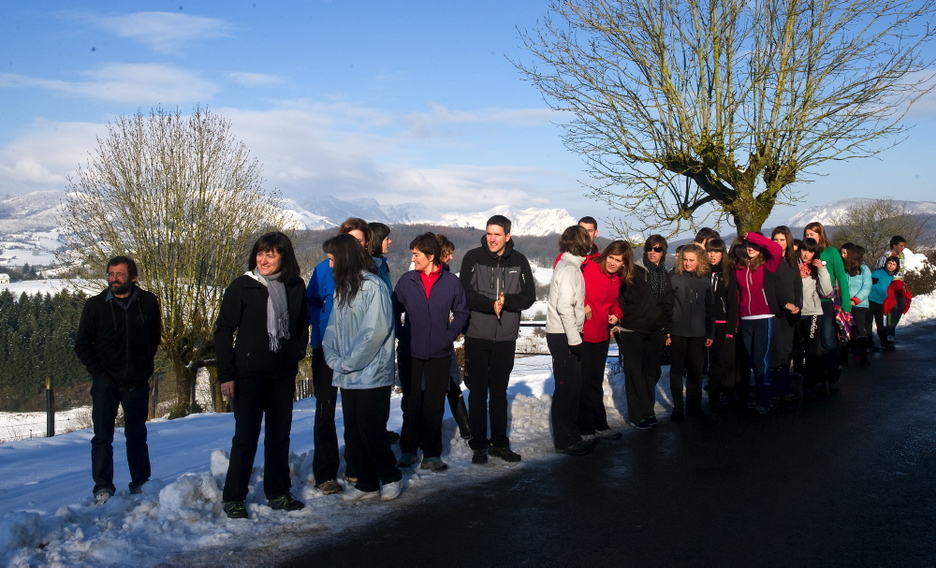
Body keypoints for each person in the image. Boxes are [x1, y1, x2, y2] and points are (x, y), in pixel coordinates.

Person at [215, 232, 308, 519]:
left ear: (284, 257)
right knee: (245, 437)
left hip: (282, 374)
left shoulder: (295, 285)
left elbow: (301, 324)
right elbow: (223, 330)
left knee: (279, 436)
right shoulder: (242, 286)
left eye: (270, 255)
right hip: (248, 375)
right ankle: (234, 497)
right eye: (260, 253)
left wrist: (296, 353)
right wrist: (226, 374)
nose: (263, 260)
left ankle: (278, 492)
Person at [322, 234, 403, 501]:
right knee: (354, 430)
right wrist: (333, 357)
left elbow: (375, 330)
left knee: (370, 428)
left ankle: (390, 476)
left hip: (371, 372)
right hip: (348, 373)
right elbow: (333, 328)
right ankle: (367, 483)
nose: (330, 265)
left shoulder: (373, 286)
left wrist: (348, 362)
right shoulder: (343, 288)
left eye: (333, 259)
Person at [75, 256, 162, 505]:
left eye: (120, 274)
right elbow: (82, 344)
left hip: (136, 381)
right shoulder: (95, 305)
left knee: (137, 434)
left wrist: (143, 368)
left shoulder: (148, 302)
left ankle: (140, 482)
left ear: (133, 277)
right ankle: (103, 486)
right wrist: (99, 374)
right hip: (106, 382)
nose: (114, 278)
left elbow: (154, 338)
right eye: (111, 274)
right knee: (102, 436)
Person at [460, 215, 536, 464]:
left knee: (499, 391)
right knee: (478, 392)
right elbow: (465, 293)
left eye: (497, 234)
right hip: (477, 334)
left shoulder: (519, 261)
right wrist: (490, 304)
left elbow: (529, 296)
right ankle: (479, 445)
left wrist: (507, 303)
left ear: (507, 236)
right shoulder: (473, 258)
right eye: (489, 233)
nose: (492, 239)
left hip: (505, 336)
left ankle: (499, 443)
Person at [306, 218, 373, 495]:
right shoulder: (324, 269)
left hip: (355, 350)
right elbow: (310, 302)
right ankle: (325, 473)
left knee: (354, 412)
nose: (355, 244)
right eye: (350, 239)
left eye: (359, 240)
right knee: (325, 411)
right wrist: (323, 321)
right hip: (325, 348)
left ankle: (355, 466)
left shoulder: (369, 272)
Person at [393, 233, 469, 471]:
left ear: (431, 256)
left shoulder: (451, 282)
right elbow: (393, 310)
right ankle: (408, 450)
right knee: (411, 402)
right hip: (410, 352)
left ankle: (432, 454)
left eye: (416, 255)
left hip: (439, 353)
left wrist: (450, 334)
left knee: (434, 405)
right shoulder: (407, 281)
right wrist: (401, 334)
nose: (412, 259)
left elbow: (462, 312)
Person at [546, 225, 600, 456]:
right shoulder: (569, 269)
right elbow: (565, 307)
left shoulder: (570, 266)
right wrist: (574, 339)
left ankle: (571, 436)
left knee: (571, 387)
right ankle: (565, 440)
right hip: (563, 335)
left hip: (563, 333)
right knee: (567, 389)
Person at [612, 235, 673, 430]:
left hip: (655, 331)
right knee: (634, 373)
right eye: (649, 248)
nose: (652, 252)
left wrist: (667, 330)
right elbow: (619, 297)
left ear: (663, 252)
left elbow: (668, 303)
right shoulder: (633, 271)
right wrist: (620, 320)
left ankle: (648, 411)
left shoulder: (663, 274)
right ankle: (637, 415)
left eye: (657, 249)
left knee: (651, 372)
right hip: (632, 330)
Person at [579, 240, 633, 439]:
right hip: (583, 332)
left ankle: (600, 424)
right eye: (611, 257)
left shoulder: (617, 279)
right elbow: (574, 290)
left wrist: (617, 314)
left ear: (624, 263)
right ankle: (585, 426)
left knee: (595, 380)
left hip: (601, 334)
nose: (612, 263)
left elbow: (614, 302)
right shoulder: (590, 268)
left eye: (618, 261)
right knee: (584, 381)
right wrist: (582, 305)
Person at [732, 232, 783, 414]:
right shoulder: (739, 267)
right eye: (748, 246)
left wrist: (753, 237)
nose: (751, 249)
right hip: (746, 319)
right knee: (752, 360)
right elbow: (738, 295)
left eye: (755, 246)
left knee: (761, 360)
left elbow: (776, 249)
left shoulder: (768, 264)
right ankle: (761, 396)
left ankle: (764, 399)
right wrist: (737, 320)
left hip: (763, 317)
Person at [667, 243, 714, 421]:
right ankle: (678, 407)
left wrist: (710, 333)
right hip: (677, 331)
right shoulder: (674, 279)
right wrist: (667, 331)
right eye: (685, 259)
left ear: (699, 261)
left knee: (695, 370)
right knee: (677, 369)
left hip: (698, 333)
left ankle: (694, 407)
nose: (687, 263)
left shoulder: (705, 281)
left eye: (691, 260)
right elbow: (667, 307)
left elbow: (710, 309)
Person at [803, 222, 850, 390]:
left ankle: (834, 373)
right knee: (816, 343)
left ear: (820, 235)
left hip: (827, 301)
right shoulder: (806, 252)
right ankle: (820, 377)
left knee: (828, 338)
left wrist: (846, 303)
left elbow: (841, 277)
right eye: (807, 235)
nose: (809, 237)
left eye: (812, 234)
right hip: (810, 303)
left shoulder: (830, 252)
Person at [436, 234, 472, 440]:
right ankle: (465, 428)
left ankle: (466, 428)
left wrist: (451, 332)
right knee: (445, 385)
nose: (451, 258)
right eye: (447, 254)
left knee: (451, 383)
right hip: (433, 339)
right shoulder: (420, 276)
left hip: (444, 336)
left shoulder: (447, 275)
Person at [769, 226, 803, 401]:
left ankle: (784, 388)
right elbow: (770, 288)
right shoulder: (769, 261)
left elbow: (798, 285)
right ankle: (775, 390)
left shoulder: (791, 261)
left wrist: (797, 305)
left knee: (787, 351)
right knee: (776, 350)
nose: (779, 243)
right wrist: (784, 304)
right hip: (776, 311)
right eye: (775, 240)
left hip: (792, 312)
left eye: (782, 240)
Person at [704, 238, 737, 411]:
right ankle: (714, 395)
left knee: (728, 360)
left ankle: (729, 392)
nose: (713, 255)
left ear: (722, 253)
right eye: (710, 251)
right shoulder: (703, 273)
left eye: (716, 251)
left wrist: (730, 329)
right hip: (707, 324)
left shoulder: (728, 273)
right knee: (714, 361)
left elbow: (732, 302)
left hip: (724, 323)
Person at [798, 238, 833, 394]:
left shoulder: (817, 268)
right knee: (797, 348)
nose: (806, 254)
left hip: (812, 311)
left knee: (811, 349)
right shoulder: (792, 266)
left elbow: (826, 291)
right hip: (795, 312)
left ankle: (810, 383)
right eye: (804, 250)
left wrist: (821, 270)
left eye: (811, 251)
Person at [841, 243, 872, 366]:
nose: (842, 255)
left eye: (844, 253)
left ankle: (863, 356)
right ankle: (844, 358)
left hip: (859, 304)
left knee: (859, 330)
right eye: (841, 253)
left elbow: (867, 286)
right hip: (844, 303)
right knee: (845, 330)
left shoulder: (864, 269)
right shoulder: (842, 268)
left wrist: (855, 300)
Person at [369, 222, 393, 292]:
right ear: (377, 241)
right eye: (387, 239)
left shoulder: (382, 263)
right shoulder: (368, 266)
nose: (390, 241)